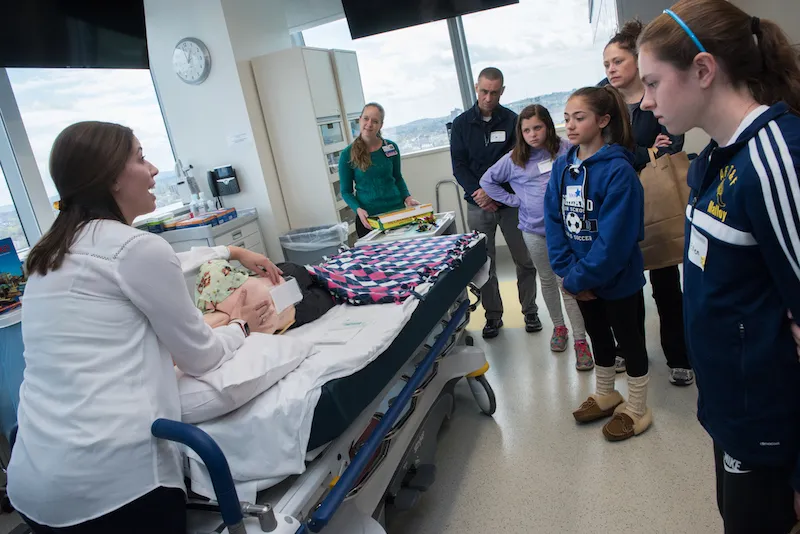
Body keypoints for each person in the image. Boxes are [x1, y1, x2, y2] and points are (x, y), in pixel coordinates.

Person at [7, 121, 283, 533]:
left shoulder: (49, 257)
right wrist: (241, 326)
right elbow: (202, 357)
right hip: (115, 494)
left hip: (32, 485)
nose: (154, 169)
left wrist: (232, 250)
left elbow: (155, 267)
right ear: (110, 178)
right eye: (140, 158)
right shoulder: (136, 250)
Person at [638, 1, 800, 530]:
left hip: (773, 431)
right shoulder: (715, 158)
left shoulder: (775, 161)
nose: (645, 102)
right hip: (733, 412)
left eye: (654, 83)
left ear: (703, 70)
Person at [544, 86, 652, 441]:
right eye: (566, 119)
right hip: (579, 278)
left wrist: (582, 277)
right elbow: (554, 221)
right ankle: (607, 392)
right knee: (598, 337)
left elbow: (616, 240)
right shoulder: (563, 166)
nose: (570, 126)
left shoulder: (619, 171)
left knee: (629, 341)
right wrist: (569, 273)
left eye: (579, 118)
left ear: (603, 120)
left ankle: (637, 406)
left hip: (617, 279)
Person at [601, 20, 694, 387]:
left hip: (656, 204)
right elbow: (603, 150)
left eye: (617, 61)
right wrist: (641, 150)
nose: (610, 69)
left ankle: (679, 356)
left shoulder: (657, 98)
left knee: (666, 283)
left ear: (637, 62)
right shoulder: (602, 100)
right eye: (606, 63)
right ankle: (629, 349)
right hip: (615, 206)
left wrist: (631, 151)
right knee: (624, 284)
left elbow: (672, 144)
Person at [480, 104, 594, 371]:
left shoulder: (565, 149)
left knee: (567, 282)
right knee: (547, 279)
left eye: (538, 128)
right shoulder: (515, 158)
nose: (533, 134)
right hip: (533, 230)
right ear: (521, 132)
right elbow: (487, 181)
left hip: (567, 228)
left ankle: (580, 341)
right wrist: (513, 200)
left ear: (548, 127)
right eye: (527, 129)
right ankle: (559, 328)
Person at [450, 67, 540, 339]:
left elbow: (519, 161)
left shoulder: (513, 121)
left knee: (524, 259)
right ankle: (493, 316)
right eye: (484, 91)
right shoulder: (462, 124)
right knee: (484, 263)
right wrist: (480, 191)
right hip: (478, 204)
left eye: (494, 92)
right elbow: (459, 165)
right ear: (477, 89)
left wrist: (495, 192)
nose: (489, 97)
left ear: (502, 91)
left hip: (510, 203)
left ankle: (530, 311)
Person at [339, 102, 419, 238]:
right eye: (366, 118)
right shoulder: (347, 154)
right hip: (370, 220)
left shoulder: (391, 147)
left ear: (381, 125)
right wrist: (358, 209)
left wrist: (408, 197)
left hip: (397, 214)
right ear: (359, 119)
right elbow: (346, 191)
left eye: (375, 121)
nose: (369, 124)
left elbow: (397, 178)